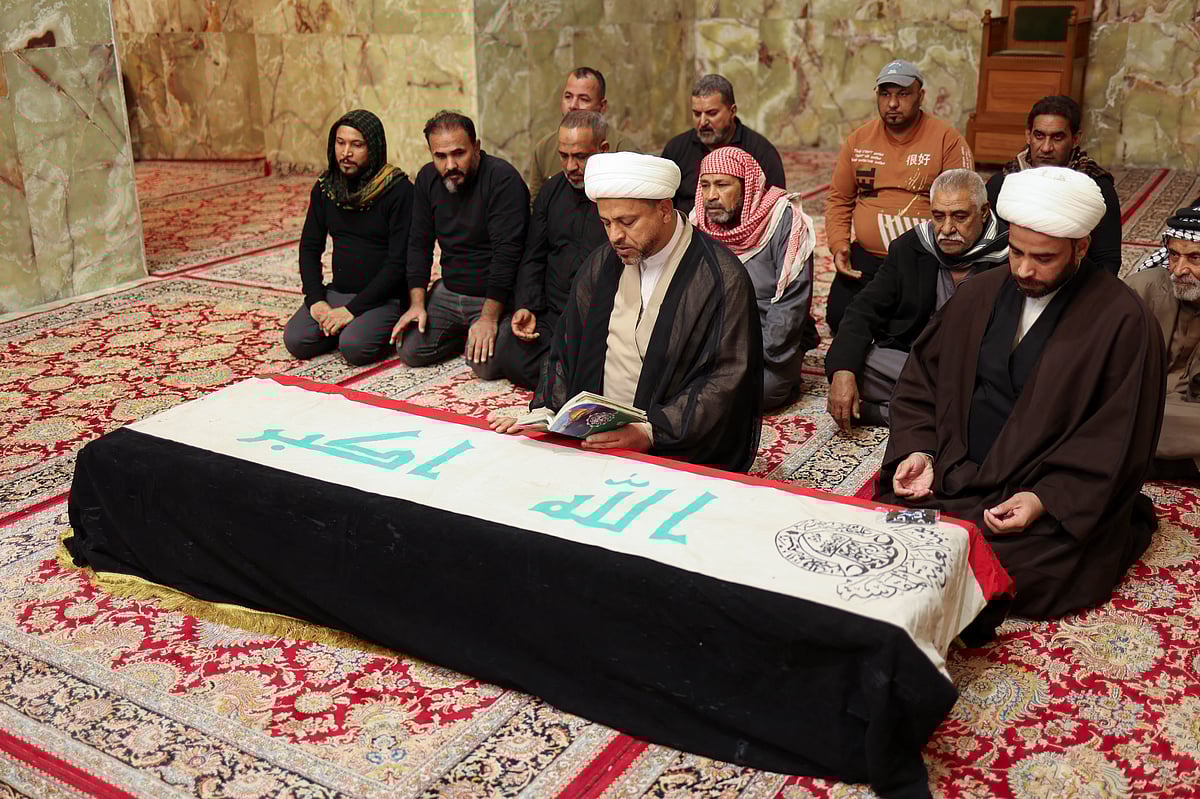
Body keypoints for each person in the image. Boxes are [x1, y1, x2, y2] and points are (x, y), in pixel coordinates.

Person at [876, 166, 1165, 619]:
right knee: (887, 527)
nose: (1025, 269)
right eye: (1016, 252)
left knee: (1024, 568)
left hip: (1039, 496)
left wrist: (1042, 500)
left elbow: (1118, 436)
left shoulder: (1123, 322)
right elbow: (922, 382)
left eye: (1044, 258)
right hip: (954, 474)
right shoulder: (982, 291)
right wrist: (920, 451)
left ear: (1081, 248)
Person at [490, 152, 763, 473]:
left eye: (627, 222)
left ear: (663, 209)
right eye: (606, 223)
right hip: (593, 436)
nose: (614, 236)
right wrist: (545, 413)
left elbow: (725, 379)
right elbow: (565, 349)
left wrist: (649, 433)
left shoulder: (720, 276)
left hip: (671, 442)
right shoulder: (600, 263)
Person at [826, 169, 1009, 430]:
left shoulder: (1009, 256)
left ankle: (888, 413)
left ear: (983, 211)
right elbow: (863, 309)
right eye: (938, 216)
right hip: (913, 363)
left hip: (974, 370)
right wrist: (843, 371)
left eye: (959, 216)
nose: (947, 228)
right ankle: (943, 412)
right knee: (854, 363)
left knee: (996, 397)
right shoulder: (911, 247)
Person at [825, 59, 974, 334]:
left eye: (903, 94)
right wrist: (839, 245)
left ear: (921, 96)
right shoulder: (859, 140)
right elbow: (839, 198)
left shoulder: (946, 139)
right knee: (838, 317)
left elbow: (965, 203)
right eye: (885, 94)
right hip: (868, 256)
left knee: (921, 322)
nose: (892, 103)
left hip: (924, 256)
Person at [394, 111, 530, 378]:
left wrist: (490, 318)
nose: (450, 165)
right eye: (440, 156)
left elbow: (508, 255)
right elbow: (419, 243)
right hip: (450, 288)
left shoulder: (503, 180)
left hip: (494, 296)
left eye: (459, 153)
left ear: (476, 147)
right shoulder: (426, 179)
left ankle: (478, 329)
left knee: (485, 367)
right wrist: (417, 303)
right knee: (410, 351)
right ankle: (464, 332)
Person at [691, 146, 819, 410]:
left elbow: (790, 304)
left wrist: (744, 357)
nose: (711, 196)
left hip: (765, 346)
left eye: (722, 185)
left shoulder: (784, 221)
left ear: (746, 186)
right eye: (705, 185)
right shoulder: (698, 222)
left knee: (762, 390)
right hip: (714, 341)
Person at [284, 109, 412, 366]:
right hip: (339, 292)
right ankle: (341, 326)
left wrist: (352, 311)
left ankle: (351, 327)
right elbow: (310, 247)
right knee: (296, 340)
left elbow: (398, 264)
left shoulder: (398, 190)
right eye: (340, 143)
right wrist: (316, 300)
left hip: (384, 297)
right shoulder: (326, 188)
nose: (346, 153)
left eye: (356, 145)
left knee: (354, 347)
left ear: (373, 147)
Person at [496, 110, 611, 389]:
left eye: (581, 157)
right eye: (564, 156)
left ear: (603, 150)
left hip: (600, 317)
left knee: (605, 366)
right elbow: (534, 256)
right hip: (553, 312)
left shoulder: (617, 195)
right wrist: (527, 306)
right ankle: (563, 374)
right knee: (508, 355)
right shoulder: (551, 192)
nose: (570, 166)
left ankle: (565, 374)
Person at [985, 95, 1121, 274]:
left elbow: (1107, 261)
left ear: (1075, 139)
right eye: (1039, 136)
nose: (1046, 147)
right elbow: (988, 250)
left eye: (1057, 138)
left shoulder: (1096, 188)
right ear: (1028, 135)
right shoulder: (1002, 183)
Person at [1126, 205, 1200, 479]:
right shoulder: (1140, 289)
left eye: (1195, 258)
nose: (1180, 269)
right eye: (1174, 255)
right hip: (1139, 402)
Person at [661, 74, 785, 215]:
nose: (702, 122)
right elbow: (662, 203)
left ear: (732, 111)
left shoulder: (761, 151)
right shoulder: (676, 148)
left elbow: (776, 208)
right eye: (696, 114)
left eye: (711, 113)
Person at [527, 67, 638, 201]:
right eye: (568, 97)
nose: (573, 105)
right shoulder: (544, 148)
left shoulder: (624, 150)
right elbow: (536, 203)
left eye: (584, 99)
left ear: (602, 106)